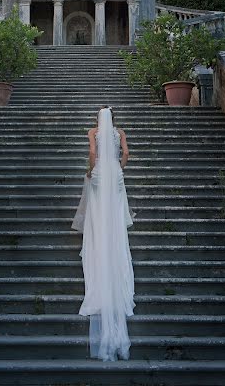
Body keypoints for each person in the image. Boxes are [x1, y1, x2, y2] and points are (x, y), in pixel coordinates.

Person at [71, 106, 135, 361]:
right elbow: (127, 153)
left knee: (97, 213)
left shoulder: (92, 131)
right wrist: (120, 168)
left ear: (98, 120)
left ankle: (97, 242)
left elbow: (92, 152)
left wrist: (90, 170)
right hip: (115, 174)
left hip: (99, 174)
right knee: (114, 215)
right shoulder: (120, 132)